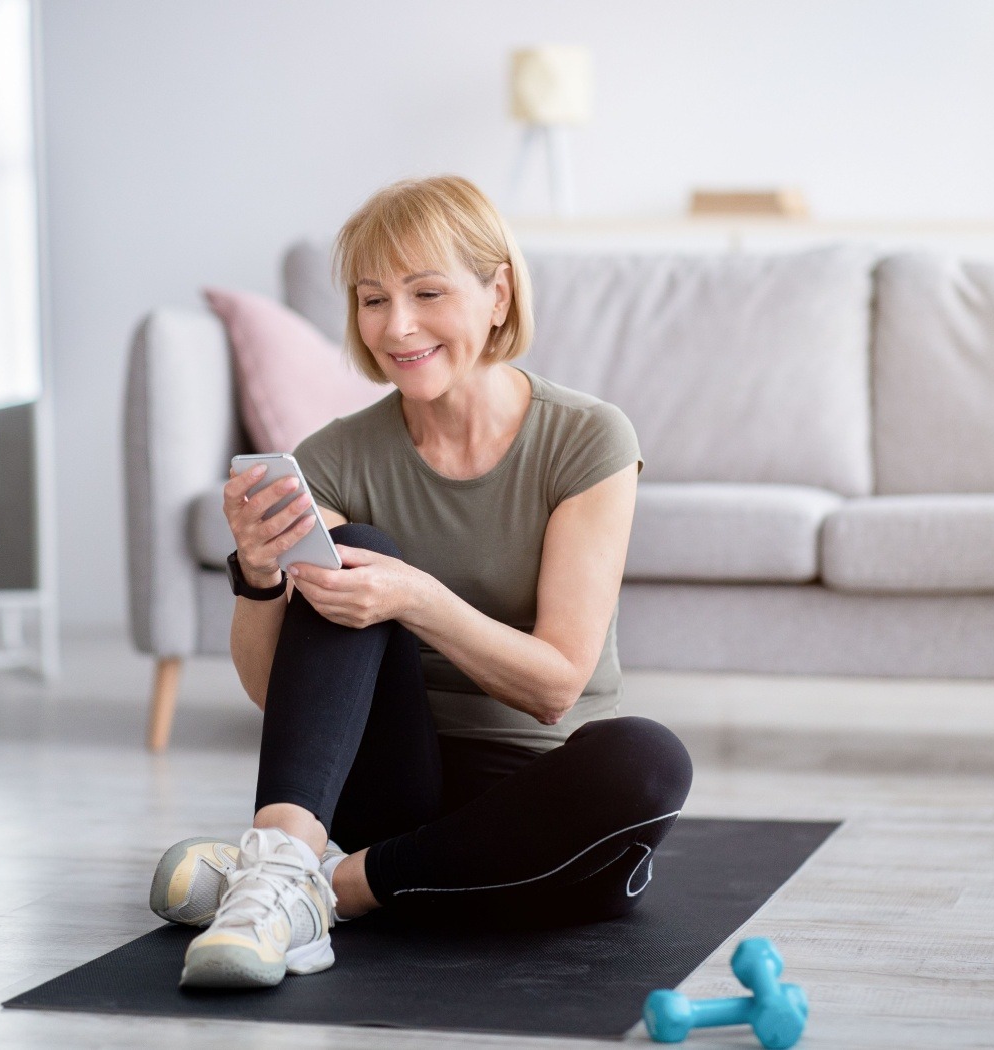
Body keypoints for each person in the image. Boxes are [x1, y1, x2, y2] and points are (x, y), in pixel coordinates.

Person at [151, 175, 693, 989]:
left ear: (498, 293)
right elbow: (282, 697)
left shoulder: (587, 438)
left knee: (648, 762)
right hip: (395, 785)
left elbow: (554, 688)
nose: (395, 327)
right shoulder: (333, 457)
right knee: (355, 546)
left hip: (532, 794)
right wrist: (259, 576)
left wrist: (416, 596)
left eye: (427, 293)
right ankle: (287, 861)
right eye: (373, 301)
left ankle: (318, 887)